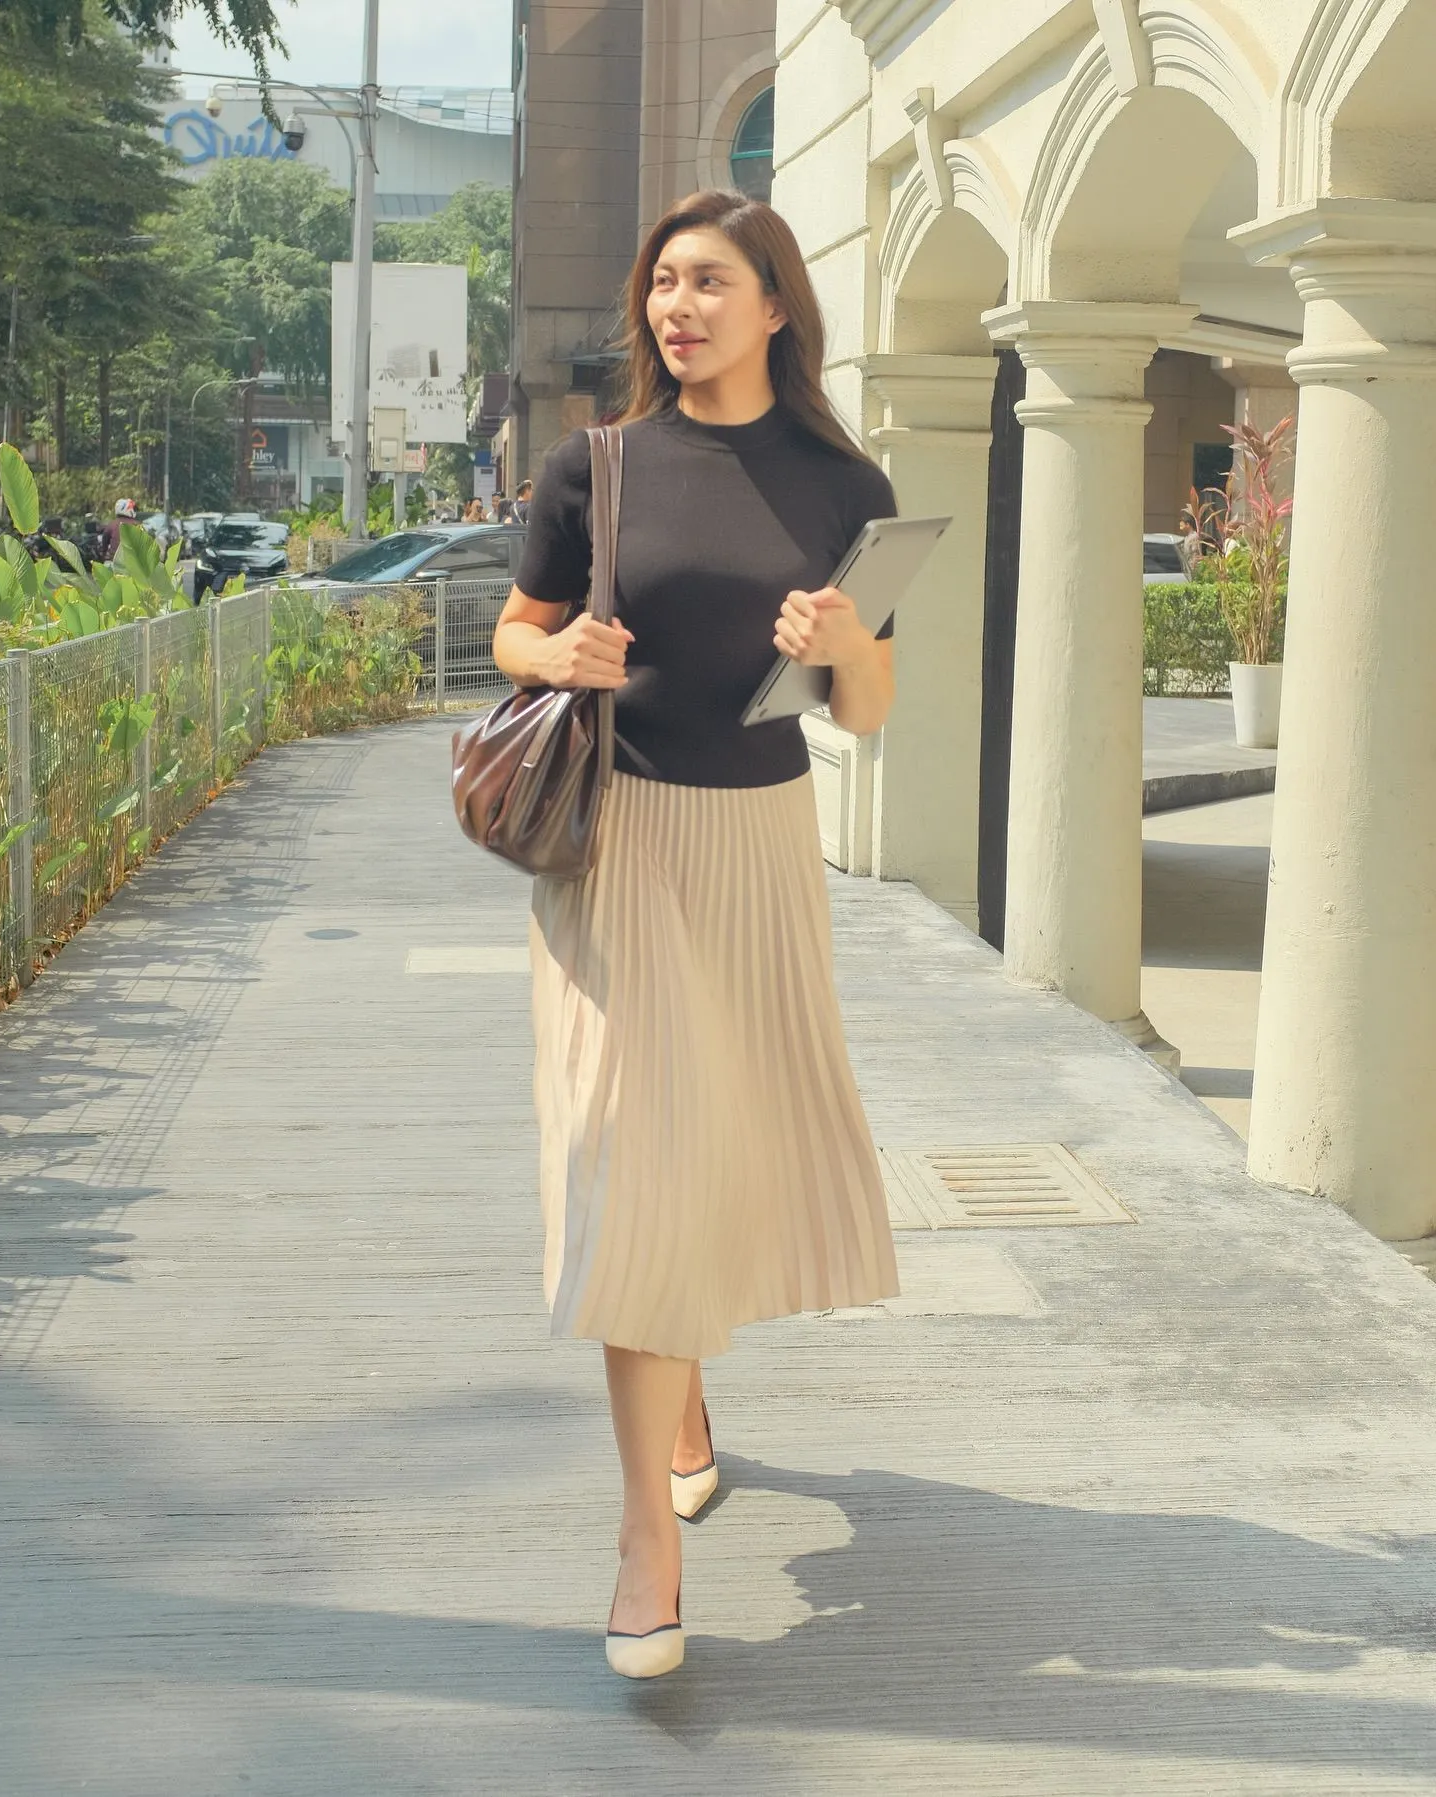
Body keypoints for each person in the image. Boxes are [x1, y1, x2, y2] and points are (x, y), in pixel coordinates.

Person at [492, 189, 900, 1682]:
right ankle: (644, 1547)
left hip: (758, 849)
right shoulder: (594, 465)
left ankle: (685, 1392)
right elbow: (513, 633)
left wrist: (848, 647)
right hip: (618, 845)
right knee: (631, 1153)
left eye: (712, 281)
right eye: (665, 281)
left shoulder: (841, 483)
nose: (680, 306)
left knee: (717, 1147)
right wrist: (561, 652)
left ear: (777, 305)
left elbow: (869, 709)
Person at [97, 497, 139, 562]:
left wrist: (103, 554)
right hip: (134, 562)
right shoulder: (136, 524)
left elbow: (104, 543)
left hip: (115, 562)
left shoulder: (112, 524)